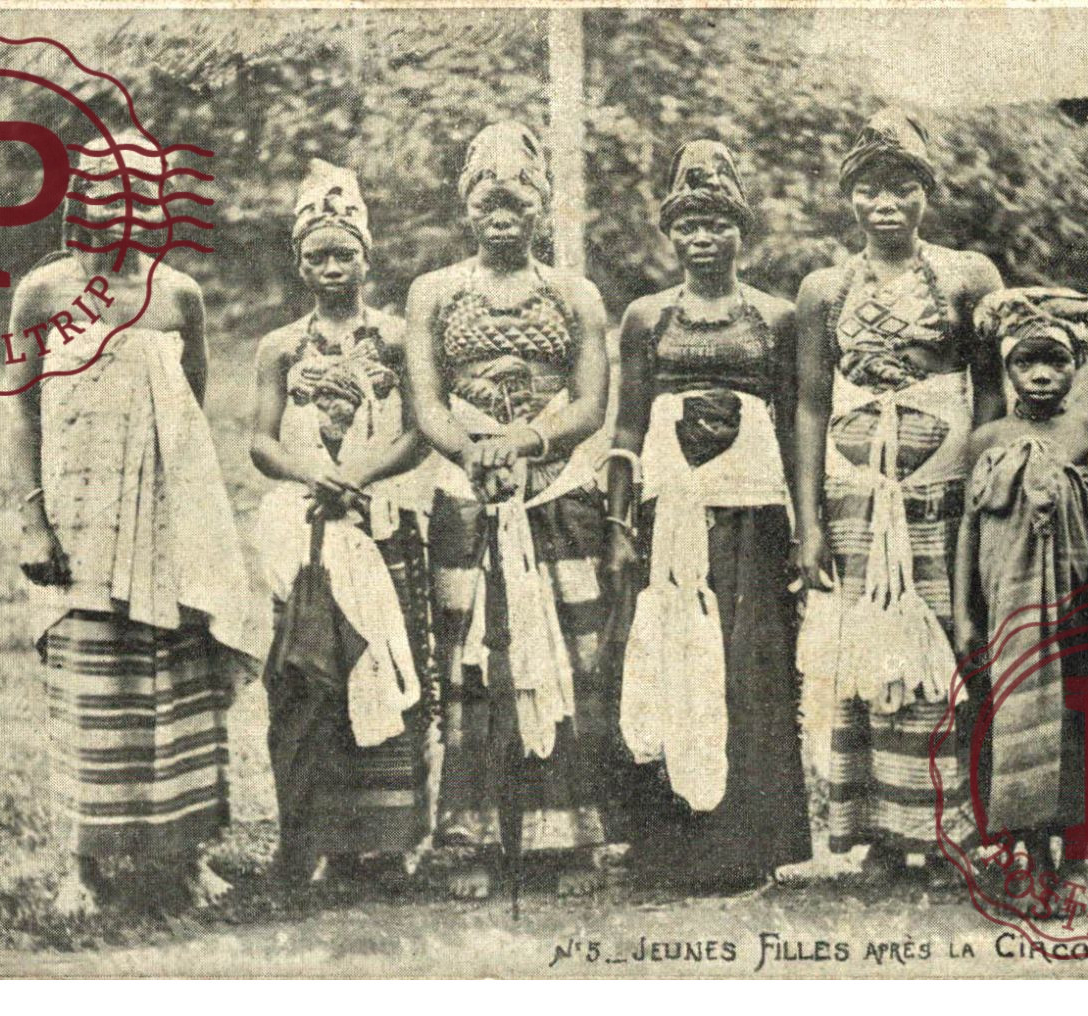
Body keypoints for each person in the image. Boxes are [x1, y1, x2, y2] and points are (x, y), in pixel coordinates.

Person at [10, 133, 262, 915]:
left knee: (172, 685)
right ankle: (81, 870)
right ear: (81, 196)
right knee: (91, 690)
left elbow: (190, 404)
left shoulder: (177, 294)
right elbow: (20, 419)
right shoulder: (42, 293)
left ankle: (184, 859)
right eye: (107, 191)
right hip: (77, 521)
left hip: (166, 522)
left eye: (140, 192)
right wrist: (33, 524)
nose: (123, 207)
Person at [791, 109, 1004, 882]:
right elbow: (812, 404)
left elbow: (990, 396)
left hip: (941, 494)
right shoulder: (824, 288)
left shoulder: (967, 276)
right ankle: (878, 835)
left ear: (926, 194)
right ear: (848, 199)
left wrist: (979, 485)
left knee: (949, 639)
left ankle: (954, 832)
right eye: (868, 190)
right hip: (852, 499)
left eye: (901, 188)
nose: (884, 205)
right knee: (865, 653)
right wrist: (809, 520)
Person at [402, 122, 614, 899]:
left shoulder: (573, 294)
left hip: (557, 492)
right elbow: (424, 403)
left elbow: (590, 404)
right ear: (466, 209)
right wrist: (472, 451)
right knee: (472, 663)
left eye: (517, 198)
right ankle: (473, 839)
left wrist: (526, 438)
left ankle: (571, 837)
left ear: (541, 208)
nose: (501, 213)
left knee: (571, 656)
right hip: (467, 495)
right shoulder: (433, 292)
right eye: (486, 200)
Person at [604, 140, 809, 890]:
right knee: (663, 663)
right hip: (665, 519)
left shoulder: (776, 318)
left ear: (740, 230)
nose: (702, 237)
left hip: (751, 519)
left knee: (748, 670)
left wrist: (803, 527)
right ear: (670, 233)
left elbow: (793, 430)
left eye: (717, 222)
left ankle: (746, 850)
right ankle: (666, 852)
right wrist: (619, 527)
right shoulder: (646, 318)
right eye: (688, 223)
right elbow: (625, 432)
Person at [250, 160, 438, 886]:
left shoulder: (395, 337)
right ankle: (308, 840)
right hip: (307, 534)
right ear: (299, 263)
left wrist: (356, 477)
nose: (333, 267)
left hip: (381, 520)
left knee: (389, 667)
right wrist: (312, 475)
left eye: (345, 253)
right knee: (306, 679)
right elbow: (261, 442)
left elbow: (419, 430)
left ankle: (386, 844)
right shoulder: (279, 347)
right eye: (318, 255)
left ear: (368, 255)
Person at [952, 286, 1088, 891]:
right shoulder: (986, 439)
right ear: (1007, 367)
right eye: (1024, 363)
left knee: (1086, 724)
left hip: (1075, 604)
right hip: (1006, 605)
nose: (1040, 376)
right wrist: (963, 614)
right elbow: (968, 526)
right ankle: (1030, 858)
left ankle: (1087, 857)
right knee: (1013, 728)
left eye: (1055, 362)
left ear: (1077, 363)